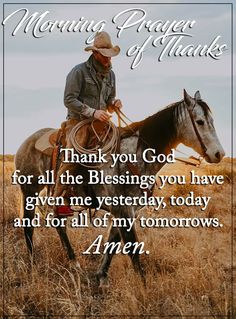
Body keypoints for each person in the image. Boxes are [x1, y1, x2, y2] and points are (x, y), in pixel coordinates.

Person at [53, 31, 122, 216]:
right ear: (95, 54)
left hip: (101, 123)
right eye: (105, 56)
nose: (108, 60)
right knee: (72, 157)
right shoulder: (78, 71)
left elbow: (109, 99)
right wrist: (93, 112)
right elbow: (69, 99)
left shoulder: (111, 75)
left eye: (110, 56)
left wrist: (113, 104)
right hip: (78, 123)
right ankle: (60, 200)